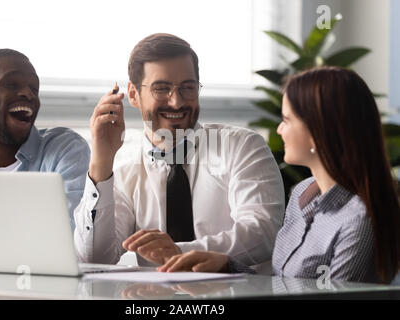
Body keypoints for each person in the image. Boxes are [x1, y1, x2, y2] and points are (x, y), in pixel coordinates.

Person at [157, 66, 400, 284]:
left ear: (318, 131)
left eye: (286, 120)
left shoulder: (359, 219)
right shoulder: (302, 195)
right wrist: (226, 265)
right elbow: (281, 285)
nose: (279, 129)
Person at [74, 33, 285, 267]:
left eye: (188, 87)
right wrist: (101, 162)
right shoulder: (123, 170)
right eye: (161, 89)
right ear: (133, 94)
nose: (176, 102)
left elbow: (264, 232)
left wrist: (178, 253)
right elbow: (95, 259)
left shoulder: (242, 146)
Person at [0, 49, 90, 261]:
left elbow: (69, 242)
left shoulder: (64, 150)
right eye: (11, 84)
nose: (29, 94)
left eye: (34, 88)